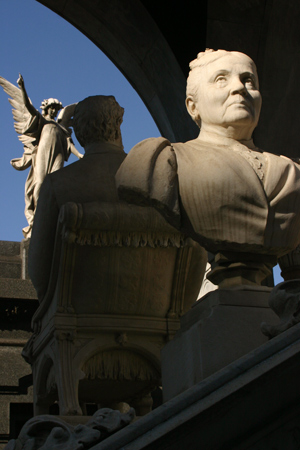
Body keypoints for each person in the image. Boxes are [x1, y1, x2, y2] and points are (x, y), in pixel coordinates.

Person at [116, 49, 300, 285]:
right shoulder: (163, 161)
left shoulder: (292, 171)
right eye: (221, 79)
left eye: (248, 80)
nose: (239, 88)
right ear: (193, 106)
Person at [28, 95, 126, 301]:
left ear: (79, 134)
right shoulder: (152, 173)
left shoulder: (57, 185)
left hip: (78, 317)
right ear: (118, 124)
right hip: (154, 317)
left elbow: (38, 275)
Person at [0, 74, 83, 238]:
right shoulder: (43, 122)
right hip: (42, 156)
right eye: (52, 108)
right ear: (46, 108)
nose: (54, 111)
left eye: (56, 109)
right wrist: (23, 88)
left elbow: (69, 144)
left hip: (57, 156)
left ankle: (52, 218)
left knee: (56, 184)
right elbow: (29, 108)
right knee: (39, 185)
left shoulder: (61, 127)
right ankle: (38, 219)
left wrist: (80, 155)